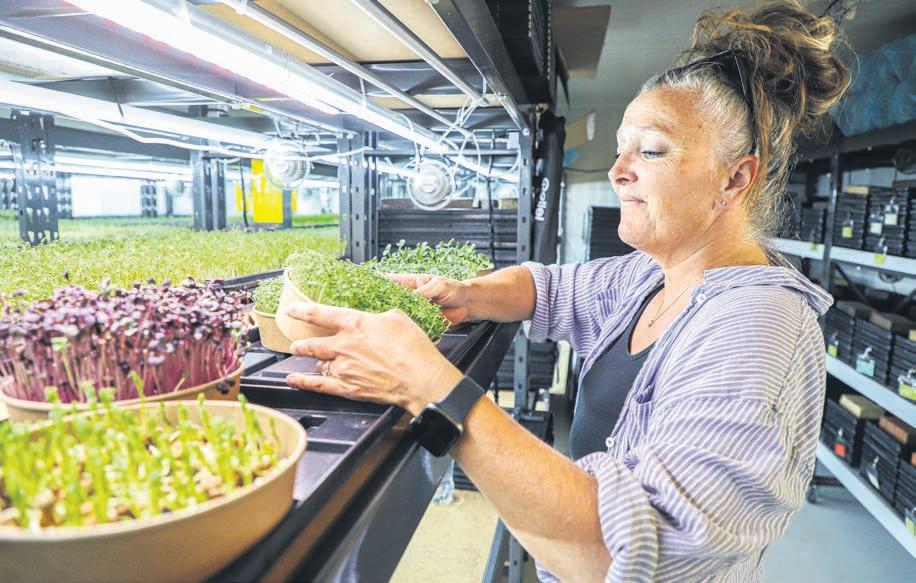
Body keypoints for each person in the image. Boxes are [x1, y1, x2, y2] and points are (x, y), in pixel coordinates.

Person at [283, 1, 851, 580]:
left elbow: (634, 554)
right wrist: (468, 294)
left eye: (651, 150)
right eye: (621, 149)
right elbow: (547, 286)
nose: (618, 171)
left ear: (735, 178)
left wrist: (429, 386)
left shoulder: (756, 327)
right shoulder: (649, 276)